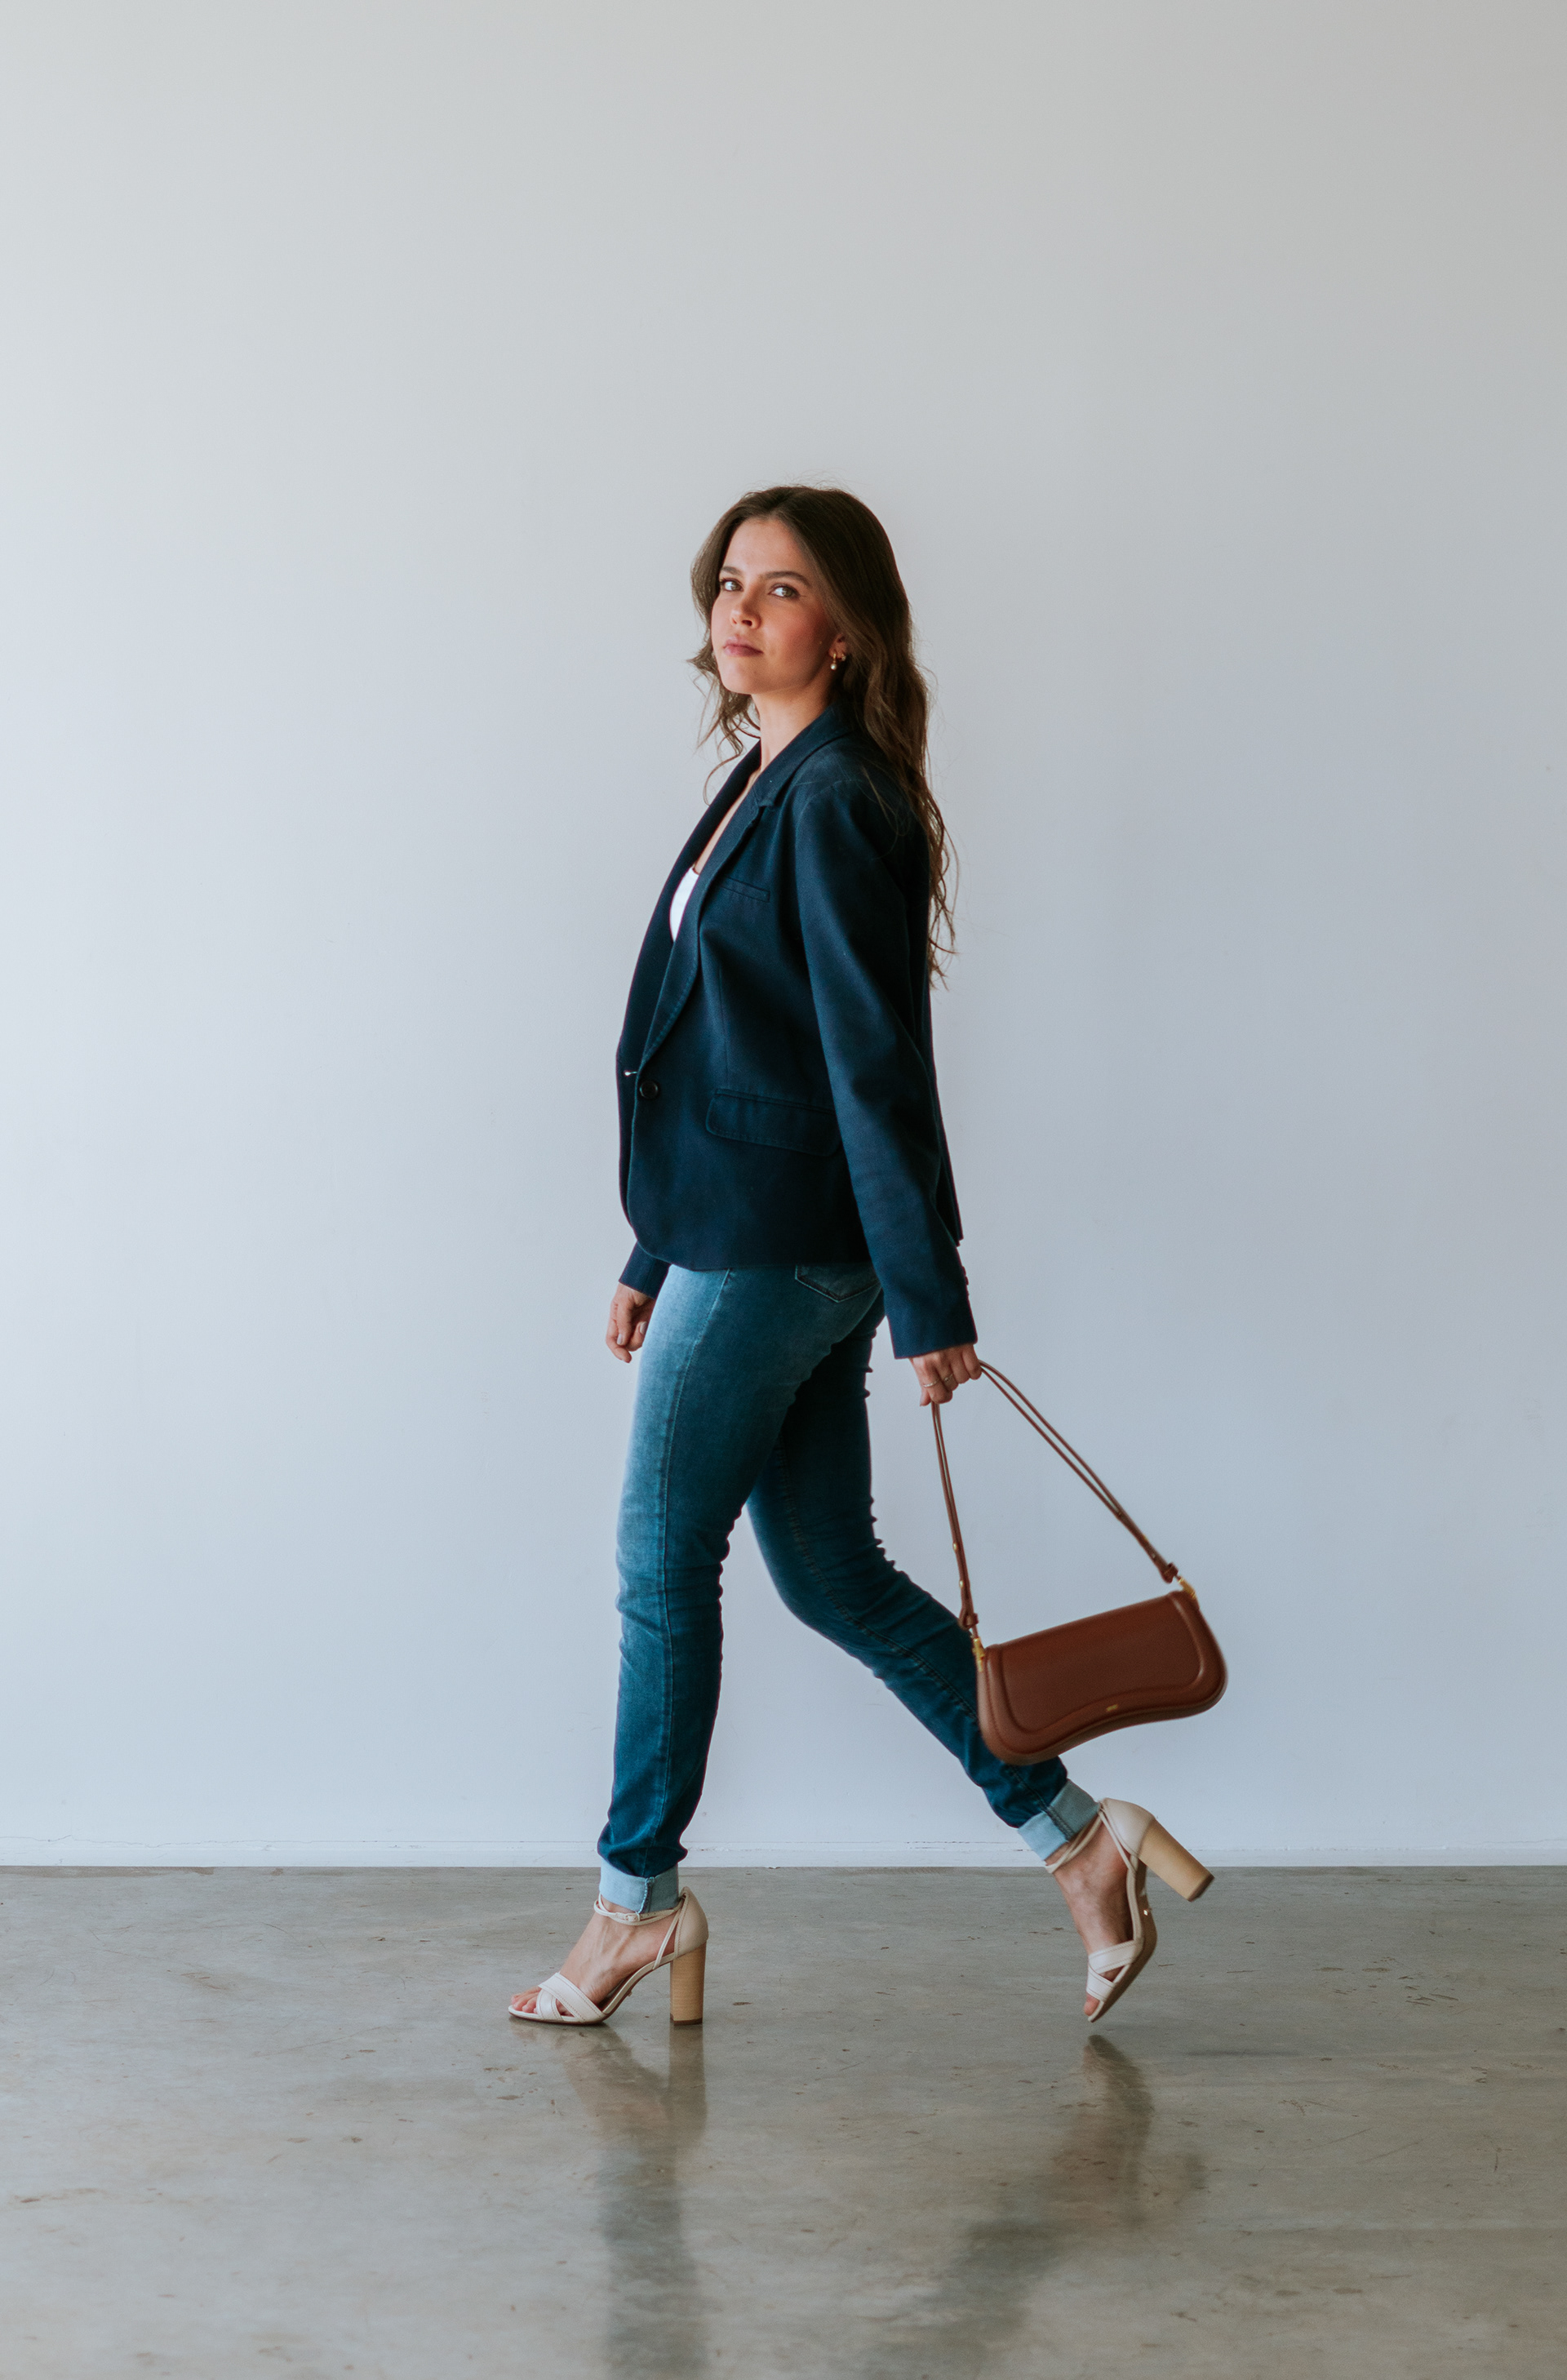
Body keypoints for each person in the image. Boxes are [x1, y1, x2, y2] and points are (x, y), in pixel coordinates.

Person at [510, 486, 1208, 2031]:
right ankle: (1081, 1841)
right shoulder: (765, 780)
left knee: (659, 1567)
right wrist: (651, 1246)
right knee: (830, 1573)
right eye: (730, 582)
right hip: (744, 1233)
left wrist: (928, 1296)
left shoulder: (833, 798)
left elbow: (870, 1064)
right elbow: (731, 1053)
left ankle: (637, 1901)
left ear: (846, 628)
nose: (740, 609)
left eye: (781, 588)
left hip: (782, 1250)